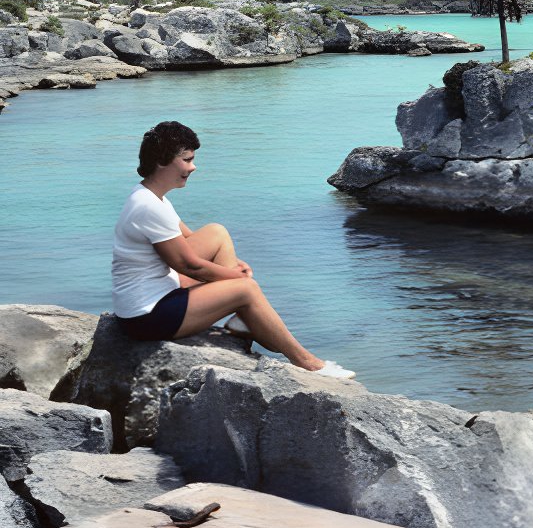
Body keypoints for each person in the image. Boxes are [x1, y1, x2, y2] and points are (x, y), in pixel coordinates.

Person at [112, 121, 354, 378]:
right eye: (186, 160)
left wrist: (234, 265)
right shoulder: (148, 207)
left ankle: (243, 317)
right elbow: (188, 265)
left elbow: (193, 241)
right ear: (162, 160)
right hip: (146, 317)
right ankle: (308, 363)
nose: (193, 167)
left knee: (217, 232)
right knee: (246, 288)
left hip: (157, 293)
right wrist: (237, 279)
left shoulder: (151, 197)